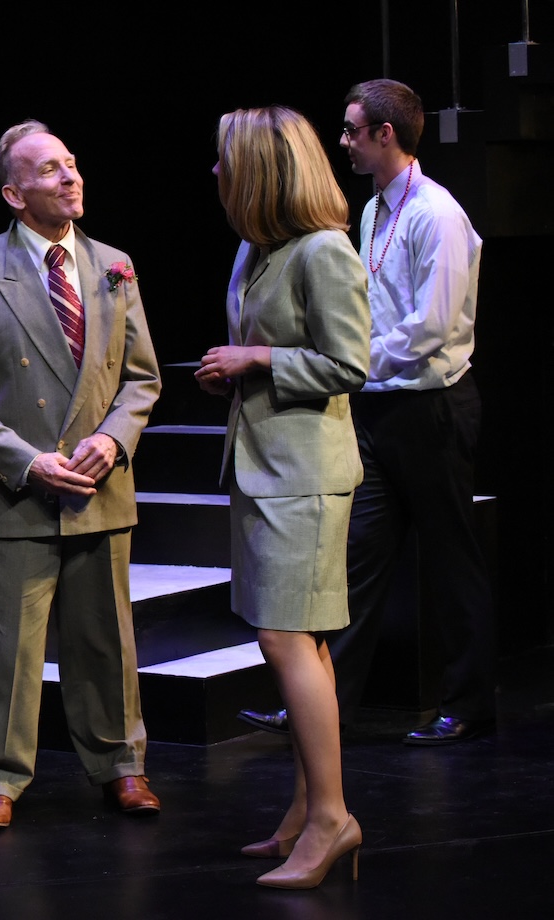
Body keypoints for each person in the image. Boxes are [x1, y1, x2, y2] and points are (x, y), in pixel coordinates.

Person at [237, 79, 494, 746]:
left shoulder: (436, 214)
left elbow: (428, 328)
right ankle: (322, 703)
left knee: (451, 559)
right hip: (377, 407)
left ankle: (467, 702)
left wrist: (347, 360)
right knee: (355, 561)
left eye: (352, 130)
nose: (343, 141)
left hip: (431, 407)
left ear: (385, 134)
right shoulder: (375, 208)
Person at [0, 120, 162, 830]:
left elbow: (141, 377)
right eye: (49, 170)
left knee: (107, 642)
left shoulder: (114, 265)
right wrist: (28, 462)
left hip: (99, 485)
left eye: (71, 163)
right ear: (14, 193)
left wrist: (112, 439)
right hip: (22, 491)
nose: (70, 177)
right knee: (10, 649)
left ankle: (122, 766)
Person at [195, 105, 371, 889]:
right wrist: (237, 367)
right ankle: (308, 810)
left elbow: (348, 363)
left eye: (226, 160)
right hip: (265, 464)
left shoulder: (324, 251)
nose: (216, 172)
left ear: (264, 171)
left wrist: (258, 357)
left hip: (304, 474)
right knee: (306, 642)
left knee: (284, 639)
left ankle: (333, 818)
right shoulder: (259, 248)